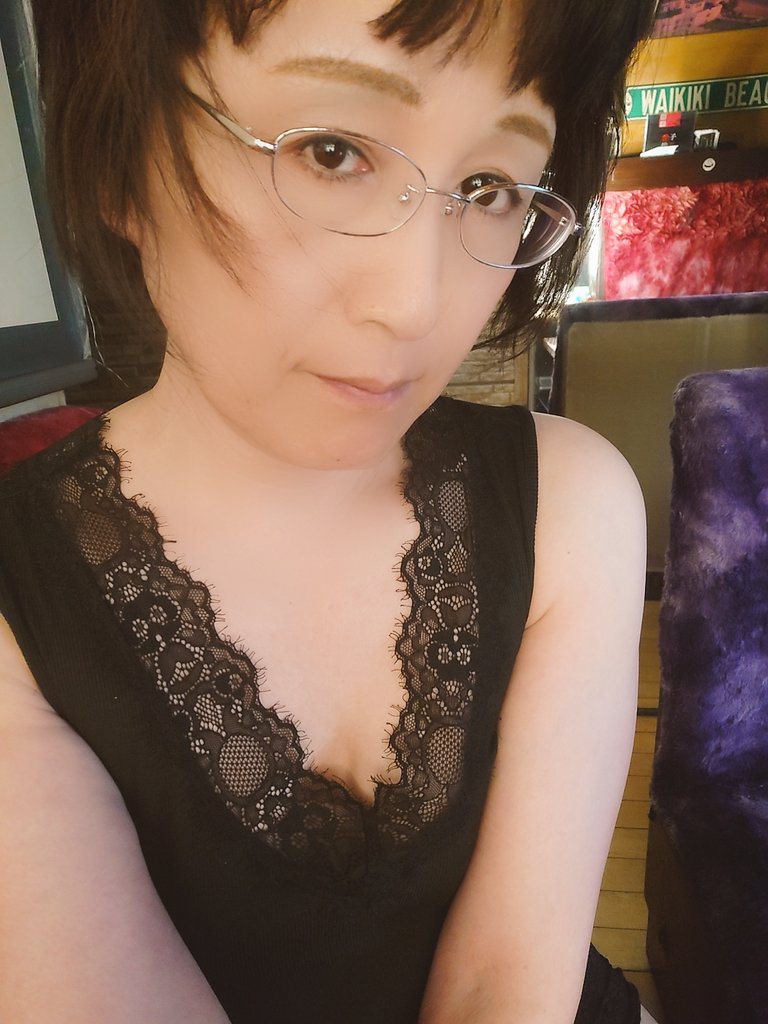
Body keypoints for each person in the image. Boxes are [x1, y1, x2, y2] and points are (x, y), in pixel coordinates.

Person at [0, 1, 660, 1021]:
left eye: (488, 188)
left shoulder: (570, 504)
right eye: (331, 150)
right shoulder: (21, 592)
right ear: (126, 157)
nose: (414, 302)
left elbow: (510, 985)